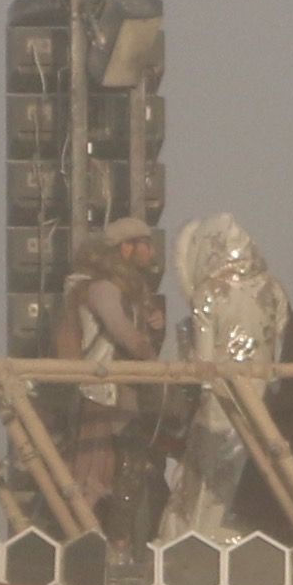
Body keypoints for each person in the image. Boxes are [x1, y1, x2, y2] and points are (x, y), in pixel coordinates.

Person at [51, 222, 169, 532]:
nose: (152, 252)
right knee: (94, 472)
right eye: (145, 244)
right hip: (100, 393)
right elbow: (122, 332)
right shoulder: (103, 288)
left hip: (123, 392)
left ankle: (112, 538)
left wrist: (154, 325)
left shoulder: (128, 289)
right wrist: (152, 360)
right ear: (126, 248)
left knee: (126, 468)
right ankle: (83, 536)